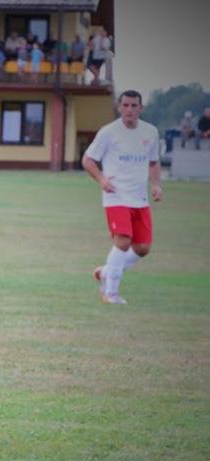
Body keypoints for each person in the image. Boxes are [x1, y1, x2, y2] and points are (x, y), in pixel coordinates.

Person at [82, 90, 162, 305]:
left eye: (134, 106)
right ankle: (111, 293)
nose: (129, 110)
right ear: (119, 107)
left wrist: (155, 185)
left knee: (142, 248)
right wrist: (101, 180)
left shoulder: (150, 132)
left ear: (140, 108)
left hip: (140, 198)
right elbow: (88, 160)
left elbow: (153, 162)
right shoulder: (108, 132)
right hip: (115, 196)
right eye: (125, 105)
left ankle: (107, 271)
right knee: (123, 242)